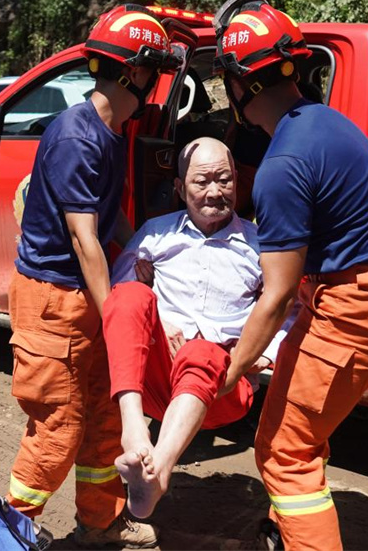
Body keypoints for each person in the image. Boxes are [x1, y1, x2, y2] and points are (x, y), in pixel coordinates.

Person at [212, 0, 368, 551]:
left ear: (240, 87)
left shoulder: (281, 167)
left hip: (356, 305)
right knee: (299, 422)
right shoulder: (325, 121)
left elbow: (278, 295)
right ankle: (293, 526)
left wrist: (229, 373)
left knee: (284, 450)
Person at [5, 4, 182, 549]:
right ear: (135, 72)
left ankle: (100, 524)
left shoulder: (109, 132)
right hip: (53, 304)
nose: (155, 85)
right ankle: (8, 530)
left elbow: (108, 219)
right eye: (154, 72)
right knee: (57, 429)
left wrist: (140, 249)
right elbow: (85, 240)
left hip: (81, 298)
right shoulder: (78, 137)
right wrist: (117, 320)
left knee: (106, 421)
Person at [102, 137, 293, 520]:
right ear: (178, 188)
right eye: (201, 181)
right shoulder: (156, 234)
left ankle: (159, 468)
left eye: (223, 180)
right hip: (157, 380)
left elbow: (290, 309)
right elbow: (119, 303)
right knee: (127, 295)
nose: (214, 192)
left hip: (222, 386)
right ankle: (135, 429)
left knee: (202, 349)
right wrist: (160, 315)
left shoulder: (262, 245)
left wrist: (263, 355)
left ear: (238, 181)